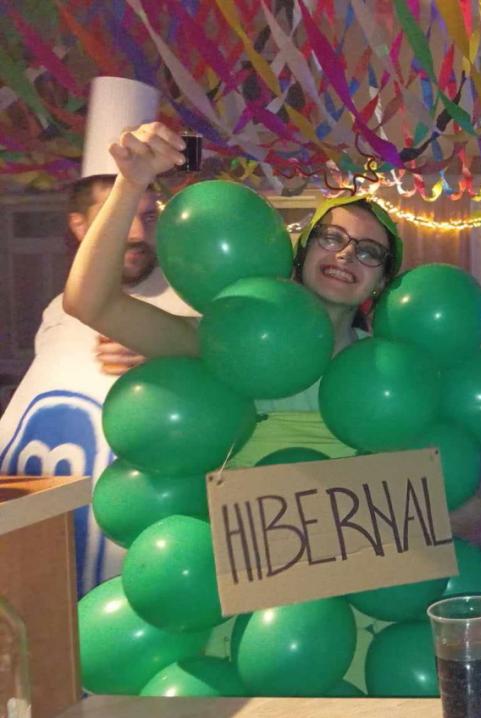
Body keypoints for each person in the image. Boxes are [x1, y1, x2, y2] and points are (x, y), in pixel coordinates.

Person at [62, 121, 404, 469]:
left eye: (370, 252)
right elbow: (90, 303)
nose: (346, 254)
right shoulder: (227, 339)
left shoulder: (394, 371)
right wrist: (130, 184)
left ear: (380, 282)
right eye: (331, 238)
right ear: (301, 253)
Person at [0, 78, 195, 594]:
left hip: (146, 555)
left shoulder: (188, 302)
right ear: (80, 227)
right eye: (118, 217)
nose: (137, 234)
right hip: (44, 542)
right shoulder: (54, 313)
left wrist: (173, 364)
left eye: (148, 217)